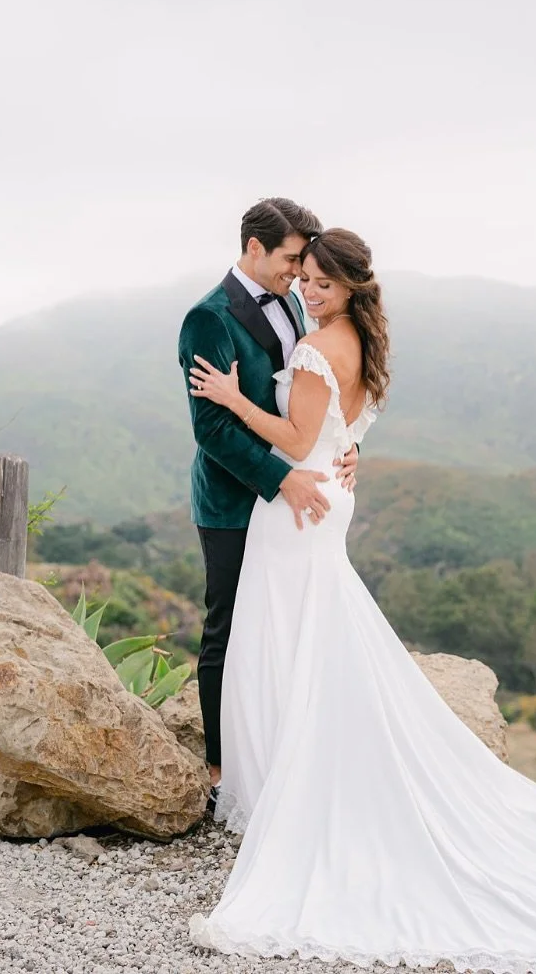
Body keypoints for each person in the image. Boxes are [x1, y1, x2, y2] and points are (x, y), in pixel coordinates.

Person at [186, 227, 536, 972]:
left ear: (349, 290)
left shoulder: (316, 348)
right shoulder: (361, 345)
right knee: (310, 638)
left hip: (298, 508)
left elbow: (297, 429)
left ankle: (300, 787)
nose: (308, 291)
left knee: (286, 640)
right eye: (303, 277)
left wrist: (234, 398)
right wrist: (343, 449)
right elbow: (345, 426)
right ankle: (293, 776)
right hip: (323, 501)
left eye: (322, 284)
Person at [178, 199, 359, 808]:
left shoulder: (290, 301)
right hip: (235, 499)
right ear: (254, 248)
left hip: (296, 493)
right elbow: (213, 431)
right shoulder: (208, 319)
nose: (298, 274)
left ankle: (282, 754)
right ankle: (220, 772)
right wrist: (283, 479)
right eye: (290, 260)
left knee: (282, 629)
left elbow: (315, 394)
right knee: (227, 629)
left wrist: (345, 443)